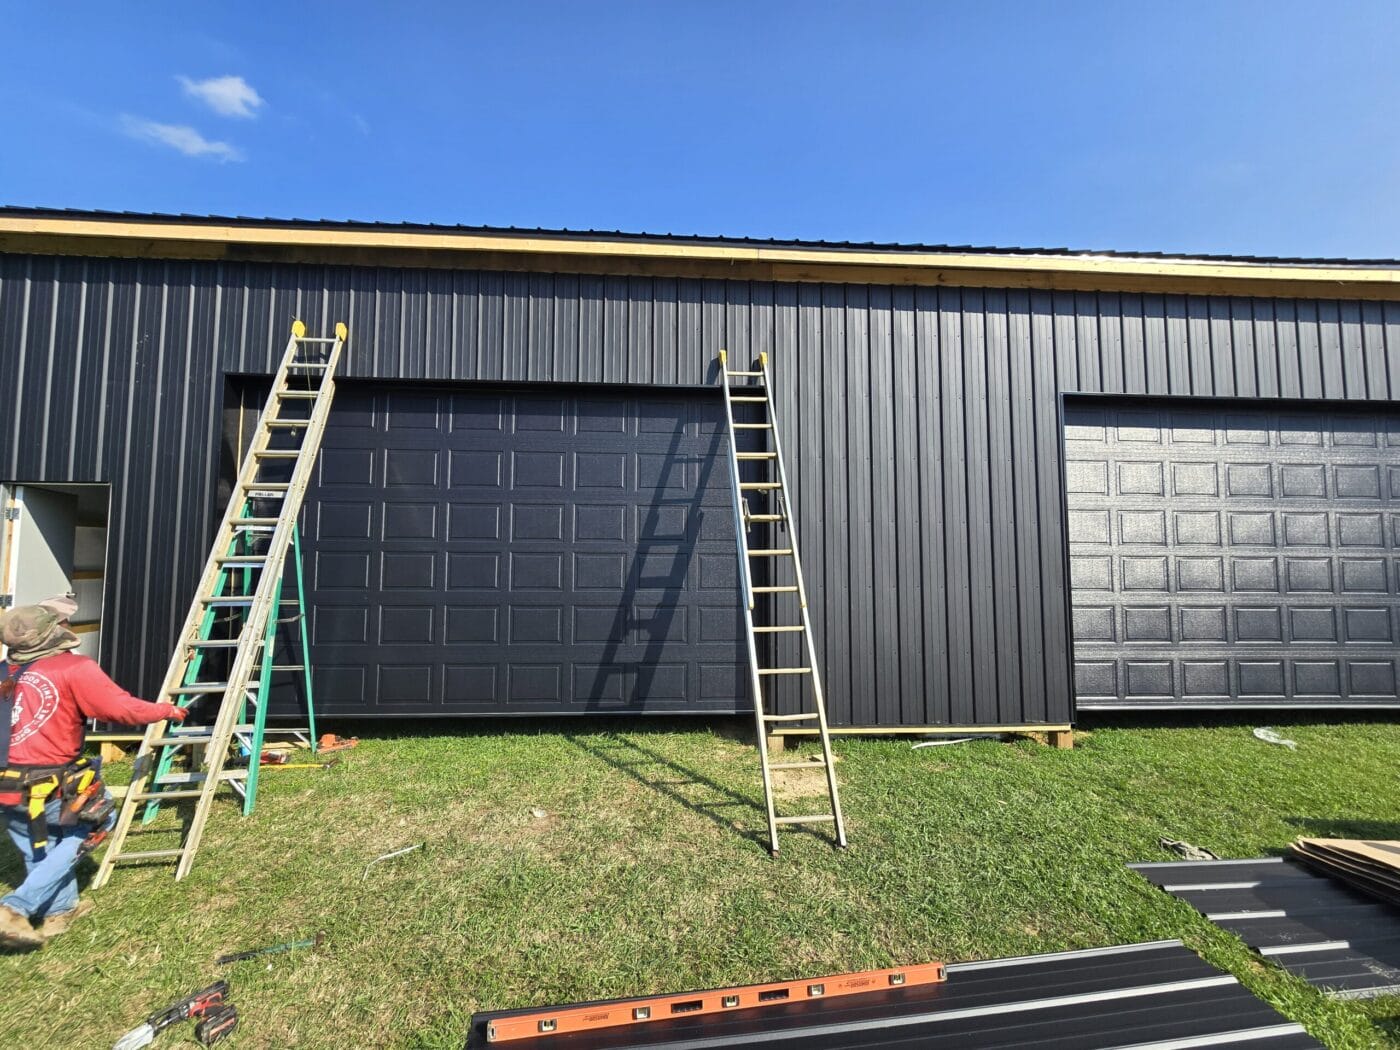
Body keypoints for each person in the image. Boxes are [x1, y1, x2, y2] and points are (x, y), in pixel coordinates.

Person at [0, 604, 186, 948]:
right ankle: (14, 907)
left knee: (39, 842)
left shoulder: (4, 672)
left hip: (6, 787)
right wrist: (166, 711)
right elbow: (122, 708)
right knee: (98, 821)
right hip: (46, 780)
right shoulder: (73, 668)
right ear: (52, 632)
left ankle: (60, 912)